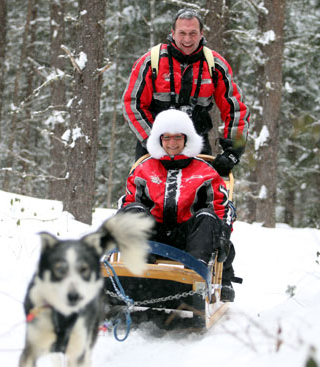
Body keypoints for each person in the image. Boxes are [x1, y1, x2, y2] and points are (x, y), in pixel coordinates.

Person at [118, 109, 237, 301]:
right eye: (166, 138)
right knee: (133, 212)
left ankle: (194, 278)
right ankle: (138, 275)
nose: (172, 144)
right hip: (152, 238)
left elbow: (220, 209)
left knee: (207, 217)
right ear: (159, 139)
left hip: (190, 239)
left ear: (187, 139)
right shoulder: (144, 169)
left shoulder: (205, 172)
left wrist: (223, 235)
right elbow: (130, 202)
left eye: (177, 138)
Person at [122, 8, 249, 177]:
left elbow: (235, 109)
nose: (187, 39)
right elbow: (132, 104)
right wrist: (154, 140)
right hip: (153, 148)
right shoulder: (151, 61)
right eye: (182, 33)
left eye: (192, 33)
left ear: (202, 33)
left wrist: (232, 152)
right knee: (147, 198)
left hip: (197, 146)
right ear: (173, 33)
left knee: (201, 198)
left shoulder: (215, 65)